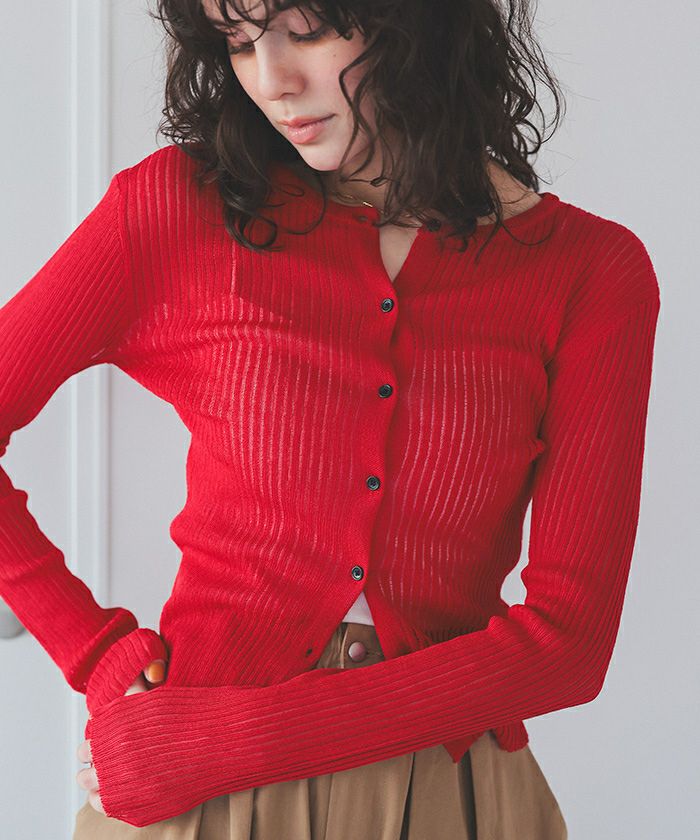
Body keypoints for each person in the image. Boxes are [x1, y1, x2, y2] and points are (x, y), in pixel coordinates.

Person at [0, 1, 661, 837]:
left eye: (306, 29)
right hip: (192, 794)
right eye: (238, 42)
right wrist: (98, 656)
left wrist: (233, 742)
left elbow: (569, 644)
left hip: (443, 795)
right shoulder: (177, 207)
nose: (271, 80)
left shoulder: (591, 272)